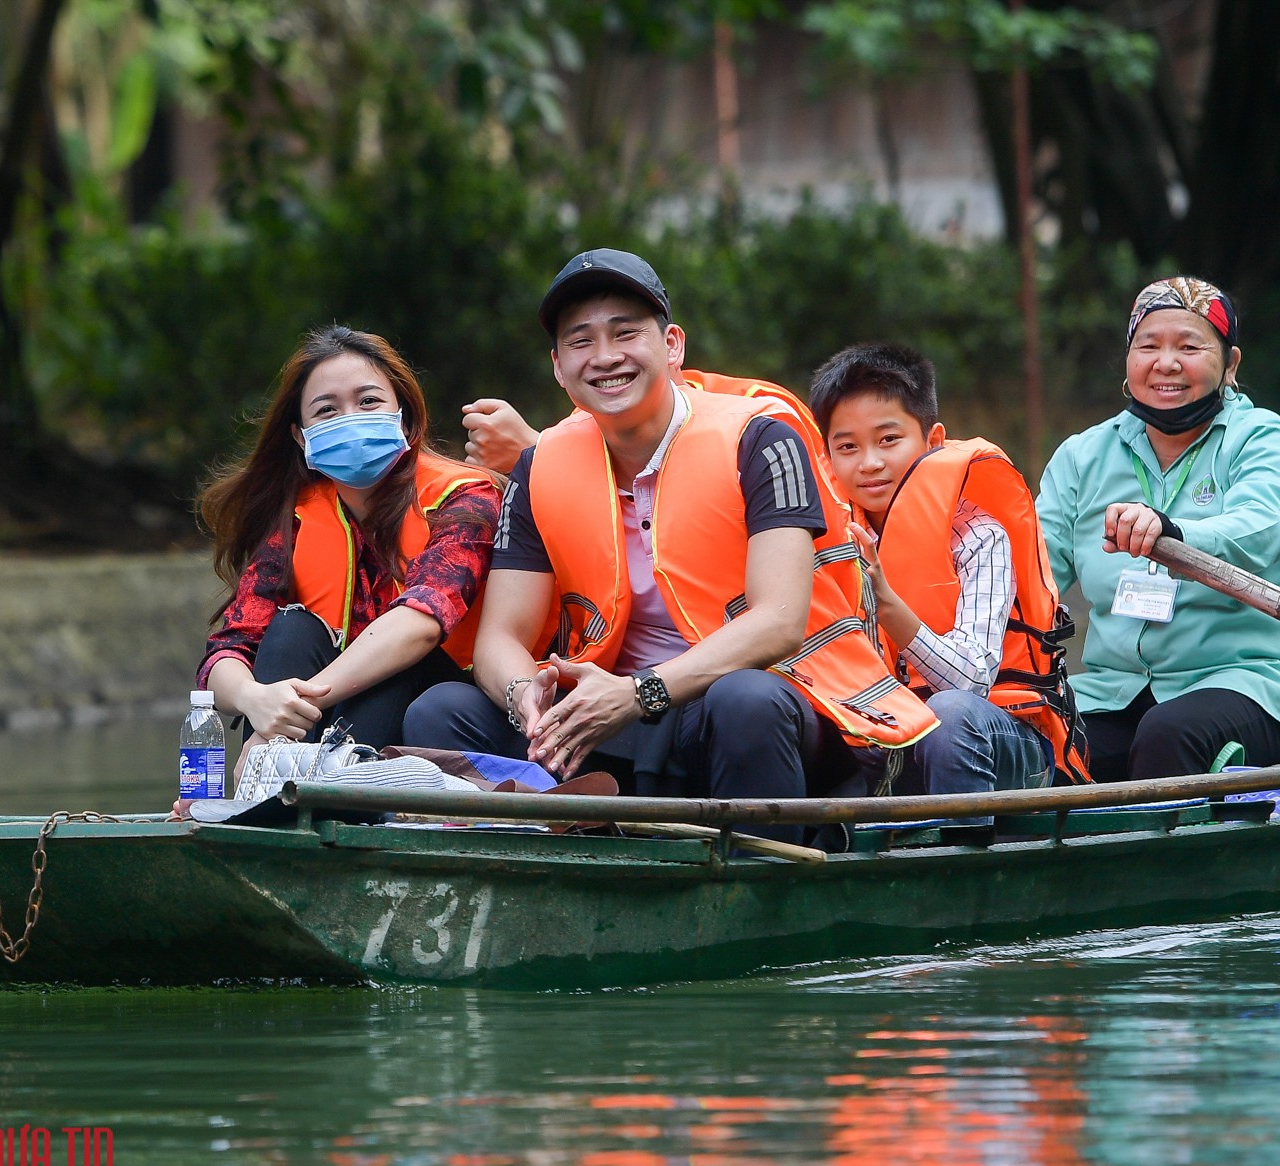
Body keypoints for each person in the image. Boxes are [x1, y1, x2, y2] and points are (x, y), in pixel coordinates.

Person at [404, 249, 935, 839]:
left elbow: (779, 621)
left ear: (673, 345)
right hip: (614, 712)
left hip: (759, 704)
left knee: (745, 702)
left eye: (625, 333)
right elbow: (500, 635)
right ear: (558, 367)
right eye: (580, 342)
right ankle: (544, 871)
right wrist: (523, 695)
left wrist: (640, 694)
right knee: (441, 710)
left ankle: (757, 893)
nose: (605, 357)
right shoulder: (541, 466)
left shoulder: (761, 439)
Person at [1036, 277, 1280, 781]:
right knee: (1044, 742)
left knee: (1168, 735)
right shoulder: (1082, 455)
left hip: (1248, 683)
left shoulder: (1262, 437)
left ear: (1231, 364)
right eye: (1148, 346)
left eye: (1189, 347)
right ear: (1128, 361)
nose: (1166, 363)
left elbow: (1265, 527)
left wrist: (1174, 534)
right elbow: (1033, 563)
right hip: (1115, 687)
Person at [197, 326, 501, 755]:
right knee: (290, 630)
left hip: (451, 706)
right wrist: (259, 703)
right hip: (330, 710)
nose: (351, 419)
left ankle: (318, 785)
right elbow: (227, 650)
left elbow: (423, 619)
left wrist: (297, 704)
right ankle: (272, 787)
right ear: (301, 437)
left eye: (368, 401)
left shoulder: (467, 498)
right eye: (327, 410)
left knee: (392, 661)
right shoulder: (297, 517)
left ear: (405, 416)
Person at [809, 344, 1091, 806]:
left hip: (999, 733)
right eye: (847, 447)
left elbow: (971, 682)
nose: (869, 463)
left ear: (933, 441)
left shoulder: (980, 537)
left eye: (888, 440)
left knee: (951, 715)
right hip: (884, 730)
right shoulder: (827, 538)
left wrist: (889, 603)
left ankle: (960, 868)